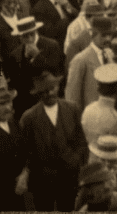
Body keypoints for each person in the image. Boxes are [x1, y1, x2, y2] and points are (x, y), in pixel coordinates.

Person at [19, 69, 88, 211]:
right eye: (44, 91)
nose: (50, 93)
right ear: (38, 94)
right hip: (43, 181)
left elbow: (81, 142)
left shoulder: (72, 109)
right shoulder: (29, 118)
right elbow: (26, 151)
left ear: (58, 87)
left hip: (69, 177)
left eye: (52, 88)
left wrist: (74, 160)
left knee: (68, 208)